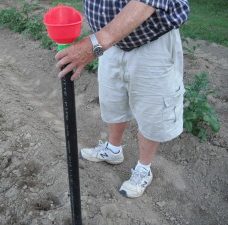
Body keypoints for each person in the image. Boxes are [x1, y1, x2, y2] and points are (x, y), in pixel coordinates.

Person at [55, 0, 189, 198]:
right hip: (111, 43)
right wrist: (102, 41)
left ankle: (144, 168)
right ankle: (113, 149)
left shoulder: (104, 40)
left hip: (151, 42)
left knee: (151, 111)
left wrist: (97, 43)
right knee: (113, 99)